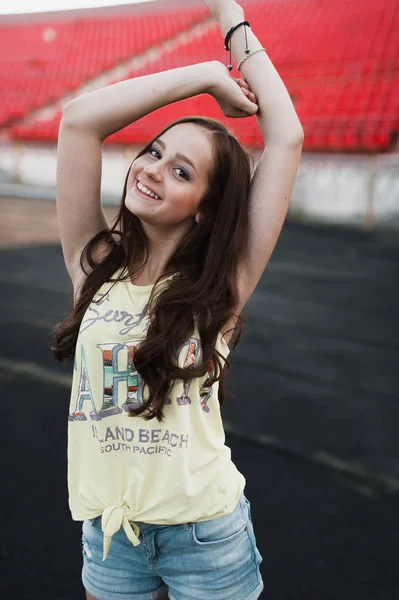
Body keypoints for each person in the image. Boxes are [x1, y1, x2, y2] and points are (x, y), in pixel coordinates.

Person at [53, 0, 303, 598]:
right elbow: (80, 121)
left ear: (206, 210)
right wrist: (204, 78)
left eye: (183, 173)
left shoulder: (224, 286)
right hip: (110, 536)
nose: (154, 169)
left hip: (205, 537)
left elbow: (286, 135)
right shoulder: (94, 264)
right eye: (156, 151)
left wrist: (230, 18)